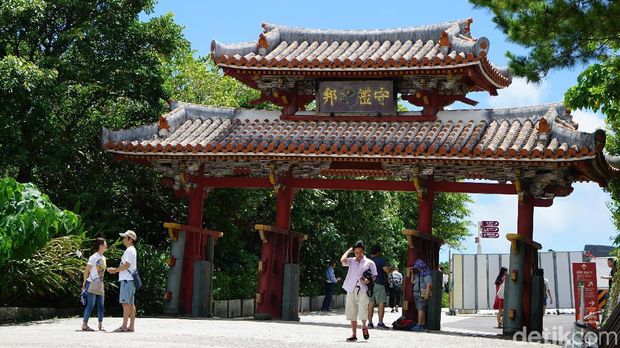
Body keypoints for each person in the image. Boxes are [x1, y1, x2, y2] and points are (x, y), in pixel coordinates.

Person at [340, 240, 377, 342]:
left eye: (360, 252)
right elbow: (342, 260)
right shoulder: (351, 261)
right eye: (356, 253)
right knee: (352, 311)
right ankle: (354, 334)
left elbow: (374, 276)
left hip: (363, 289)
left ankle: (364, 327)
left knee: (363, 309)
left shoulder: (370, 262)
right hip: (351, 288)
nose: (358, 255)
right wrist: (349, 250)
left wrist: (368, 280)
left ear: (364, 252)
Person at [107, 230, 138, 333]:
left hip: (126, 280)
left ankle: (124, 326)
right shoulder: (132, 250)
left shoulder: (129, 250)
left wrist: (114, 270)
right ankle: (131, 326)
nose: (123, 240)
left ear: (130, 239)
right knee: (131, 304)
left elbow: (126, 265)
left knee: (125, 304)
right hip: (130, 280)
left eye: (125, 237)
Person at [81, 238, 108, 331]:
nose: (106, 245)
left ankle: (100, 325)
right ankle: (84, 325)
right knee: (91, 304)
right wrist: (84, 282)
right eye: (105, 244)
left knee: (101, 305)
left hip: (100, 284)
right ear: (100, 246)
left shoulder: (103, 258)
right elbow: (87, 270)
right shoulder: (93, 257)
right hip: (91, 283)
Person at [367, 245, 389, 329]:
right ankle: (380, 322)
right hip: (379, 283)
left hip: (369, 284)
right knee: (381, 303)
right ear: (378, 252)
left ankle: (369, 323)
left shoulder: (367, 261)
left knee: (370, 303)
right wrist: (391, 269)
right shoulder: (380, 260)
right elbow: (386, 270)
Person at [411, 259, 433, 331]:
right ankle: (422, 324)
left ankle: (419, 324)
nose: (416, 268)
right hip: (417, 293)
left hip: (422, 293)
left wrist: (426, 295)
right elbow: (413, 282)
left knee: (420, 309)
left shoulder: (426, 274)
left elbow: (429, 285)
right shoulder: (417, 274)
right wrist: (412, 274)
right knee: (420, 309)